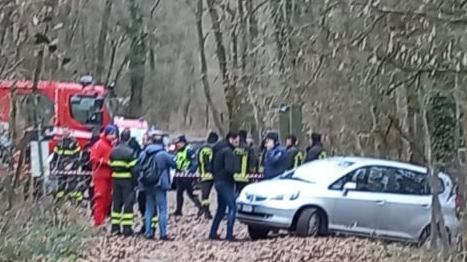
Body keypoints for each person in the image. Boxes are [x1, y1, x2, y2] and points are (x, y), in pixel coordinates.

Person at [137, 130, 176, 240]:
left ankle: (148, 232)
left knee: (149, 209)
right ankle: (163, 233)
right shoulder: (163, 154)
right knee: (162, 209)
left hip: (147, 184)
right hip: (160, 185)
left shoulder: (143, 153)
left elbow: (138, 165)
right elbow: (175, 164)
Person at [208, 132, 240, 241]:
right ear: (231, 139)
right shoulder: (228, 152)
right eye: (236, 140)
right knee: (232, 207)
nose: (238, 143)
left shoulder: (217, 149)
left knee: (221, 209)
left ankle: (213, 232)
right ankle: (229, 234)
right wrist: (236, 170)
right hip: (226, 182)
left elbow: (211, 166)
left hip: (218, 181)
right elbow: (230, 168)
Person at [108, 129, 138, 236]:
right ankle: (127, 229)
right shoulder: (130, 152)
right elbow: (134, 170)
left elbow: (110, 165)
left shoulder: (113, 151)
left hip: (116, 181)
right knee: (128, 205)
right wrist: (135, 183)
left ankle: (115, 228)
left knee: (116, 205)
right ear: (129, 138)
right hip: (127, 182)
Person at [90, 125, 117, 226]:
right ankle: (98, 221)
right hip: (101, 176)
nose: (113, 136)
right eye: (111, 134)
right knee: (100, 199)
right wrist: (106, 162)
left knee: (107, 200)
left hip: (109, 176)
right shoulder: (99, 144)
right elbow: (93, 158)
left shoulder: (111, 145)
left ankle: (103, 219)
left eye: (114, 134)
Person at [173, 135, 202, 216]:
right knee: (181, 192)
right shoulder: (177, 151)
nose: (177, 145)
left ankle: (200, 207)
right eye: (177, 143)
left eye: (179, 143)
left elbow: (194, 162)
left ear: (183, 143)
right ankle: (179, 210)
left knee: (187, 192)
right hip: (179, 174)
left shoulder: (189, 150)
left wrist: (190, 171)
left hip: (187, 175)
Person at [51, 127, 81, 201]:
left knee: (72, 185)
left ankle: (76, 201)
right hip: (60, 167)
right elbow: (55, 155)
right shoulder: (60, 143)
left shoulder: (73, 143)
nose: (64, 133)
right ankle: (60, 201)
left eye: (66, 132)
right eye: (63, 132)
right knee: (60, 185)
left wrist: (72, 165)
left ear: (69, 132)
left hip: (71, 167)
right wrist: (53, 164)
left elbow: (77, 157)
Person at [197, 131, 219, 219]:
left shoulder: (201, 148)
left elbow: (198, 161)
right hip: (214, 174)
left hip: (204, 174)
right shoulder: (215, 148)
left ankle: (205, 211)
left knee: (205, 195)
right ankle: (209, 212)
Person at [233, 130, 256, 196]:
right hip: (245, 176)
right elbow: (253, 161)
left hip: (235, 175)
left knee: (236, 192)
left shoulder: (234, 148)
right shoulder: (248, 148)